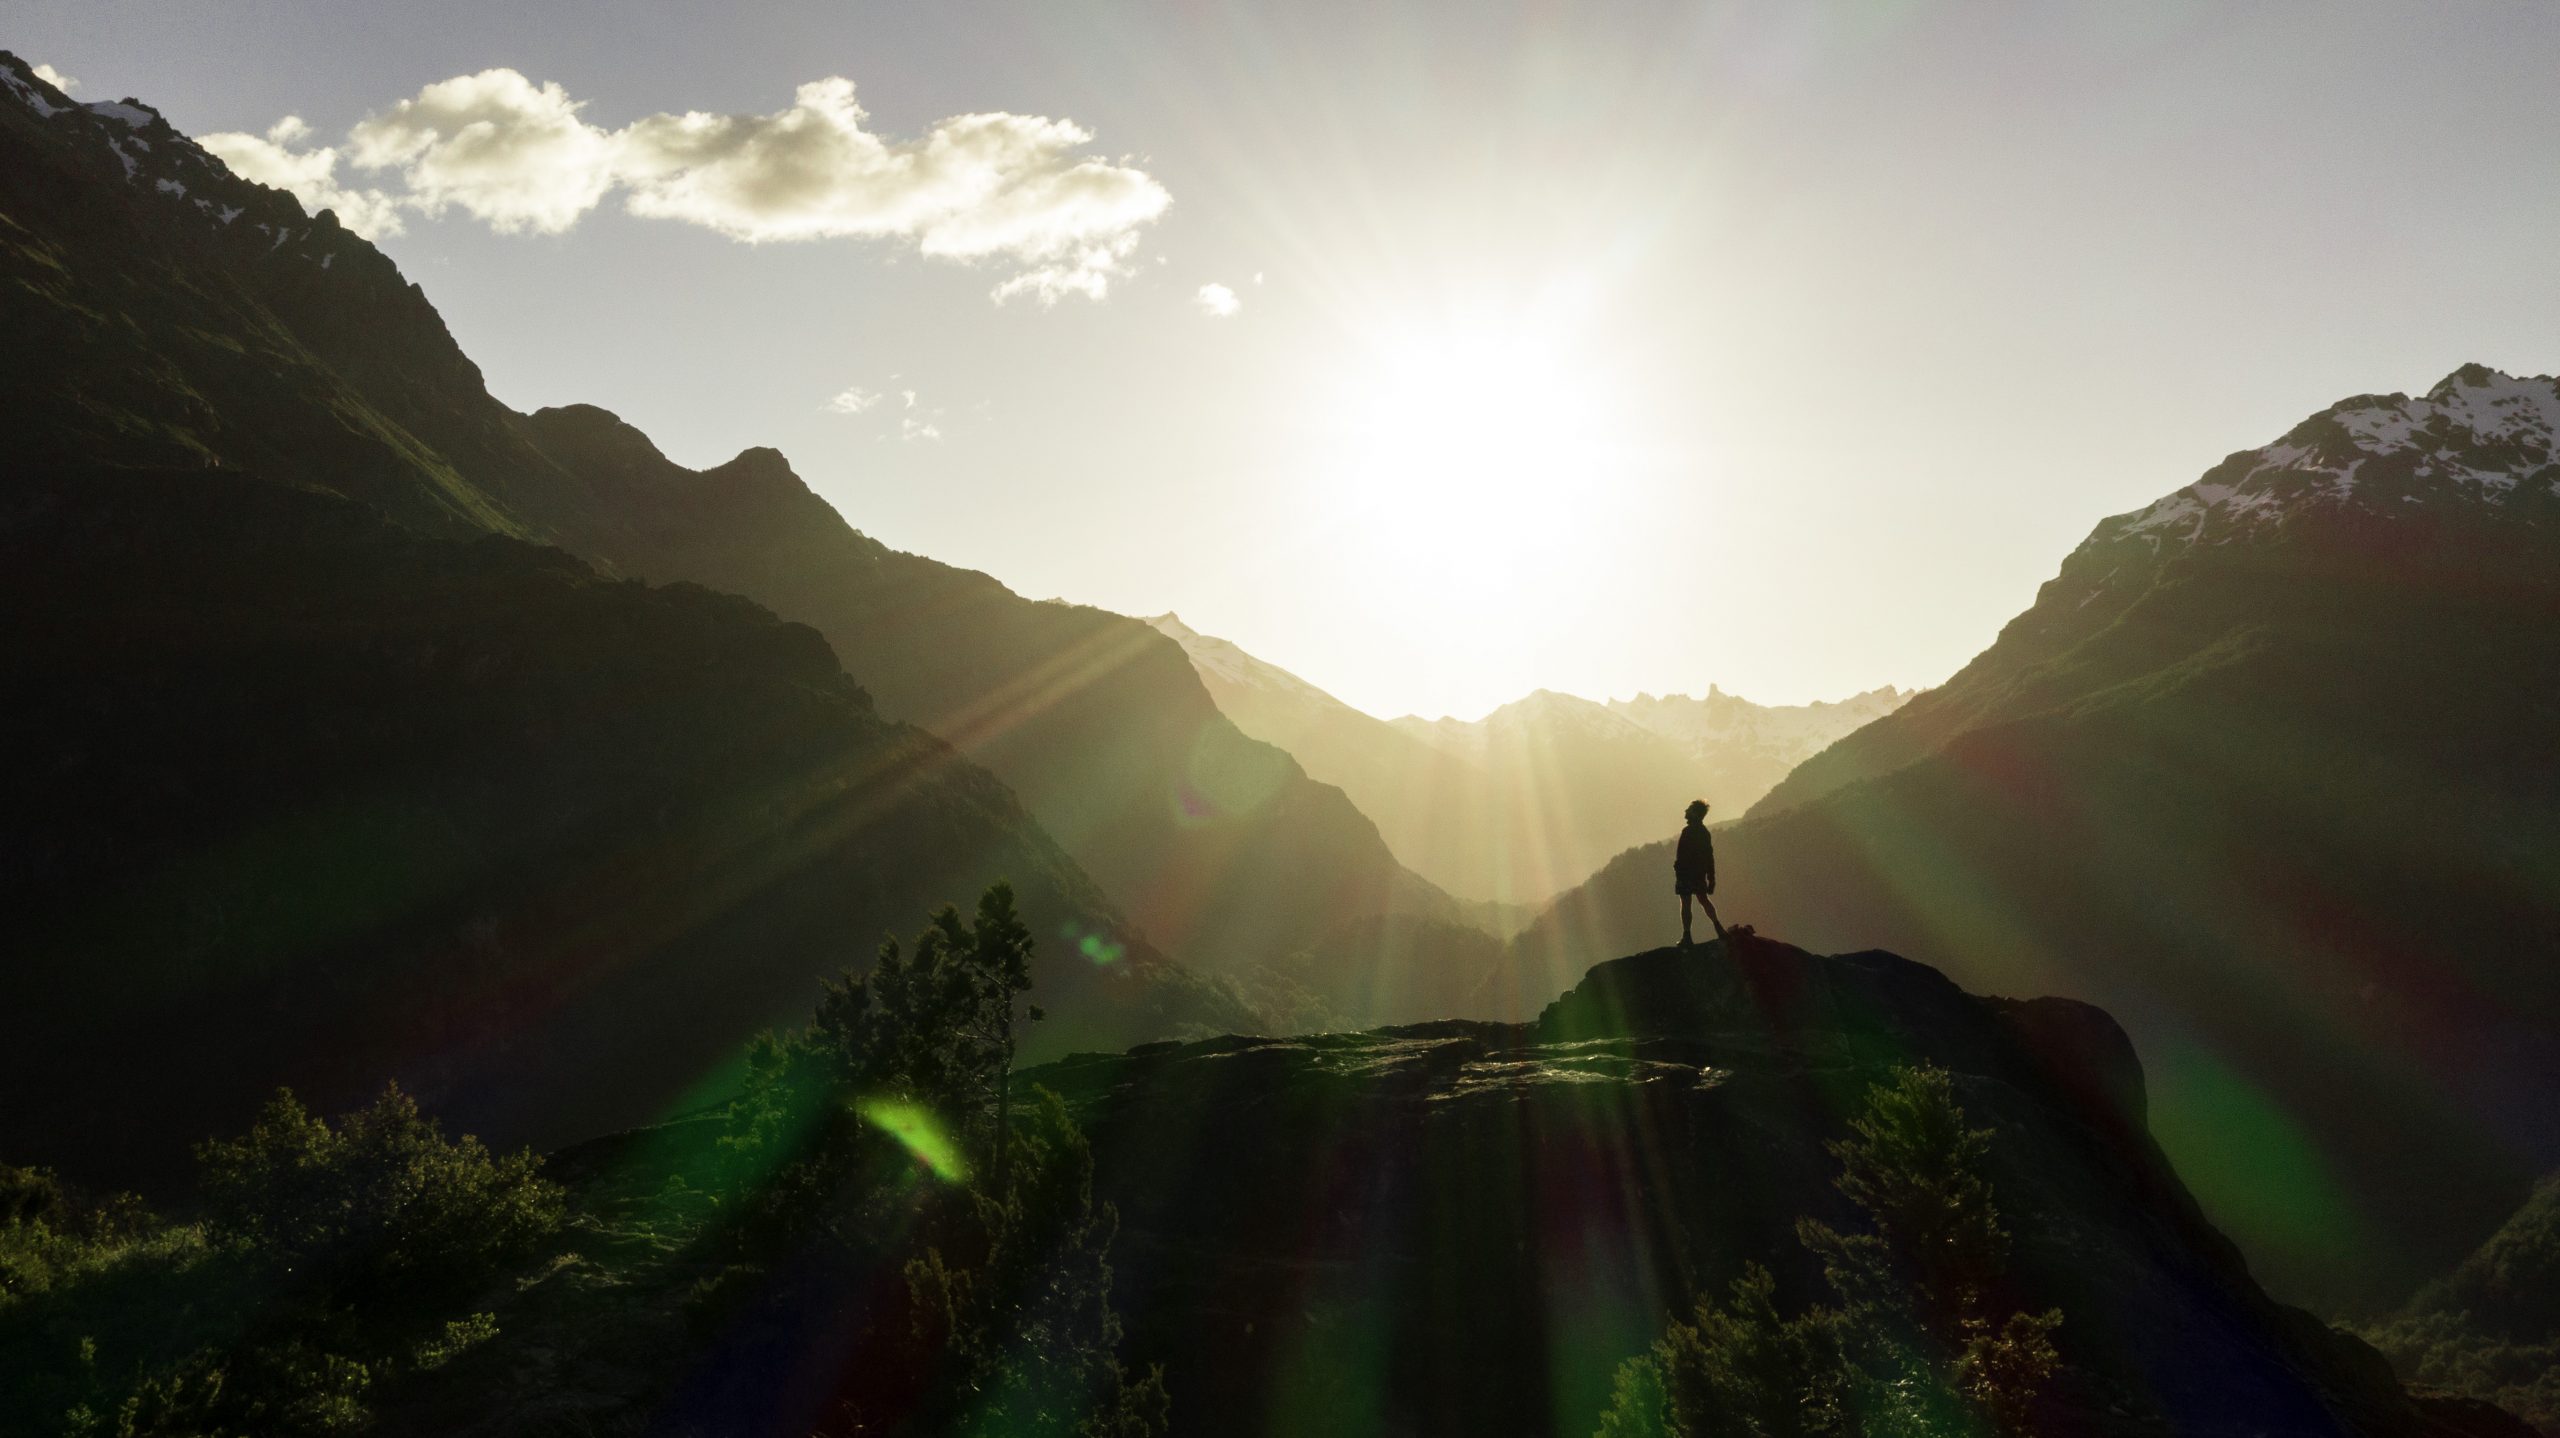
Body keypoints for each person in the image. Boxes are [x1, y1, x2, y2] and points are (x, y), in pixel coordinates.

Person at [1674, 799, 1723, 946]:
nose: (1685, 811)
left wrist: (1678, 870)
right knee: (1704, 900)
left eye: (1689, 809)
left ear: (1694, 813)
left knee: (1686, 902)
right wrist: (1711, 878)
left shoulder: (1687, 832)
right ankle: (1718, 928)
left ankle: (1687, 936)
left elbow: (1681, 855)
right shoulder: (1704, 833)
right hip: (1699, 874)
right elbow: (1709, 856)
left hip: (1686, 874)